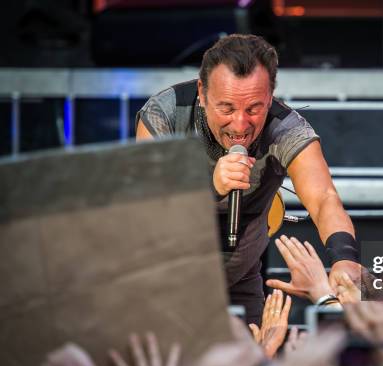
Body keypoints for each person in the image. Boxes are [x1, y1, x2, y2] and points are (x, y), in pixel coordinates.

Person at [135, 34, 360, 324]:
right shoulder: (165, 112)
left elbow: (324, 198)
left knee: (259, 362)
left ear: (270, 96)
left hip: (238, 281)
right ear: (202, 94)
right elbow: (146, 208)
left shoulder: (286, 128)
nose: (240, 125)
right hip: (164, 281)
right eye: (226, 108)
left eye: (254, 108)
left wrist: (345, 258)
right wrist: (210, 187)